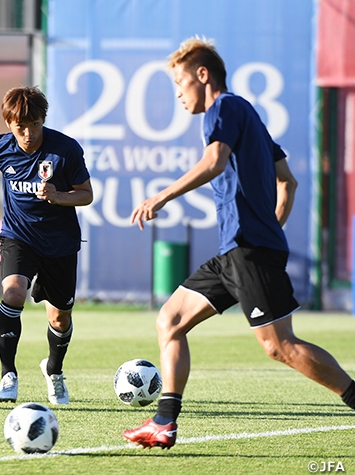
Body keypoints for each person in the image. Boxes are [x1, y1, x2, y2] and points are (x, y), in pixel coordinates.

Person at [122, 37, 355, 449]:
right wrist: (273, 229)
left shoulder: (223, 108)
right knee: (170, 320)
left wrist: (161, 196)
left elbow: (214, 162)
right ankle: (164, 422)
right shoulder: (249, 115)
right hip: (237, 249)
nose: (177, 94)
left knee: (280, 346)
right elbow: (289, 182)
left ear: (202, 75)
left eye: (179, 83)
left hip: (248, 248)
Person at [0, 86, 93, 405]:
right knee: (13, 293)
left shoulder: (65, 150)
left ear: (43, 120)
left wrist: (60, 197)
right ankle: (8, 374)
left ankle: (54, 370)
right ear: (8, 123)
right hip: (18, 237)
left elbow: (86, 194)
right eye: (20, 126)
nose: (27, 133)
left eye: (34, 124)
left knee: (59, 319)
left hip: (60, 244)